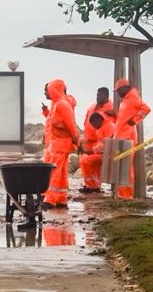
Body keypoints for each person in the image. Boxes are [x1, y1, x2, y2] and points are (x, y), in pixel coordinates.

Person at [113, 77, 152, 200]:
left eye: (118, 90)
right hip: (120, 136)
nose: (117, 92)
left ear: (125, 88)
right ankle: (121, 193)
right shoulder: (124, 101)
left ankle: (127, 195)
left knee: (126, 167)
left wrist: (134, 120)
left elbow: (146, 109)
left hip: (128, 137)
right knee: (121, 167)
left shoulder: (133, 97)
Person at [42, 79, 79, 208]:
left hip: (61, 143)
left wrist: (75, 138)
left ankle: (50, 199)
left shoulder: (62, 105)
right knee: (61, 171)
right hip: (56, 143)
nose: (47, 92)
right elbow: (51, 122)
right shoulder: (56, 104)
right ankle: (61, 198)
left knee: (55, 171)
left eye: (49, 90)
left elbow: (71, 124)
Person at [79, 112, 107, 194]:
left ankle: (92, 186)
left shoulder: (108, 126)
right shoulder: (101, 128)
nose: (93, 126)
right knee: (84, 159)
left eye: (94, 124)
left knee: (85, 161)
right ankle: (92, 185)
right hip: (99, 151)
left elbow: (107, 144)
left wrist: (92, 151)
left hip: (105, 154)